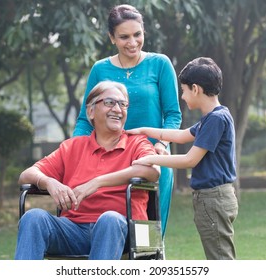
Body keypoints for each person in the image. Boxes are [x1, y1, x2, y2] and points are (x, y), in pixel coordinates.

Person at [15, 81, 160, 260]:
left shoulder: (137, 143)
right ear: (91, 111)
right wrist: (49, 182)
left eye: (123, 104)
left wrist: (97, 182)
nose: (118, 109)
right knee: (33, 218)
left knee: (109, 220)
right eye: (109, 102)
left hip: (127, 230)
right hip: (74, 230)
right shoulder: (72, 147)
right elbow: (26, 175)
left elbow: (153, 170)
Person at [73, 4, 182, 236]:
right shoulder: (100, 69)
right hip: (109, 163)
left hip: (152, 161)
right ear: (112, 37)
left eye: (137, 34)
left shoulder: (160, 64)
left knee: (148, 239)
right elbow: (85, 119)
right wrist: (74, 151)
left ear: (144, 31)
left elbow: (173, 115)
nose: (132, 42)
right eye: (124, 37)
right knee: (112, 235)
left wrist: (161, 145)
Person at [127, 57, 239, 260]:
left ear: (195, 89)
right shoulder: (213, 117)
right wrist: (144, 130)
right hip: (212, 199)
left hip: (213, 199)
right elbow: (181, 134)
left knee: (221, 260)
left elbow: (189, 160)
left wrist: (150, 158)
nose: (183, 96)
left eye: (184, 90)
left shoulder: (215, 119)